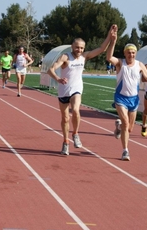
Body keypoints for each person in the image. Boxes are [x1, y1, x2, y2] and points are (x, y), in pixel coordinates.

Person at [47, 25, 114, 156]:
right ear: (72, 46)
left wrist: (110, 36)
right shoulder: (65, 57)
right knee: (65, 118)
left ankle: (76, 133)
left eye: (82, 48)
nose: (79, 50)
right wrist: (58, 78)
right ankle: (65, 142)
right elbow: (51, 69)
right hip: (63, 91)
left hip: (76, 89)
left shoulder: (84, 56)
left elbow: (101, 49)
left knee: (76, 110)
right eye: (77, 47)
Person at [107, 25, 147, 161]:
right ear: (125, 53)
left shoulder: (139, 65)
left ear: (136, 54)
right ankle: (125, 151)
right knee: (126, 123)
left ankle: (118, 127)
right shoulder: (120, 63)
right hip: (121, 98)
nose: (131, 55)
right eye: (129, 52)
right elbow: (109, 56)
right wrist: (113, 40)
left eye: (133, 53)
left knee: (130, 128)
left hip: (134, 99)